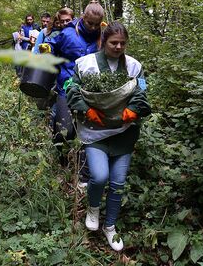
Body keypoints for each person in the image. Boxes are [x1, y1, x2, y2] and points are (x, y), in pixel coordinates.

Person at [65, 21, 151, 251]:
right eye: (114, 42)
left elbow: (143, 87)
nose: (118, 47)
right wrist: (85, 109)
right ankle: (93, 208)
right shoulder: (86, 64)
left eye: (123, 43)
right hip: (95, 131)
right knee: (100, 176)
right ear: (104, 41)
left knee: (118, 182)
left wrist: (134, 108)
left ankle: (110, 226)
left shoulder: (135, 66)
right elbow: (69, 86)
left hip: (124, 131)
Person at [39, 2, 104, 179]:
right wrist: (47, 48)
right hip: (65, 89)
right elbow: (52, 45)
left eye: (97, 24)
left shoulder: (101, 37)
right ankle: (61, 164)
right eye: (90, 23)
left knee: (88, 133)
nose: (93, 27)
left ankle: (83, 171)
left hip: (91, 92)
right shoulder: (68, 33)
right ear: (83, 17)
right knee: (64, 130)